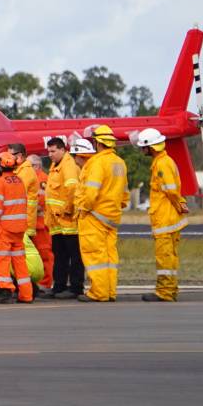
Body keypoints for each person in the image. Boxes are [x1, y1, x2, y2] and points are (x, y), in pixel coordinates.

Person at [75, 125, 129, 303]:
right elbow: (124, 193)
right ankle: (110, 291)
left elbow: (91, 192)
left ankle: (99, 292)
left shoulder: (97, 163)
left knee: (95, 255)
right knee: (110, 256)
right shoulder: (120, 162)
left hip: (94, 216)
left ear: (97, 143)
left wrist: (83, 208)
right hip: (112, 216)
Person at [136, 127, 190, 302]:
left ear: (150, 147)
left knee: (164, 258)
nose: (141, 150)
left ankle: (165, 292)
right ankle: (170, 289)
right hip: (169, 219)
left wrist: (180, 205)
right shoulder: (163, 161)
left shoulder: (161, 164)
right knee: (170, 257)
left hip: (165, 220)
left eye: (143, 147)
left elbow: (171, 191)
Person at [0, 151, 34, 304]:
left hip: (4, 230)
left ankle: (6, 291)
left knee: (1, 261)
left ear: (0, 167)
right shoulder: (19, 181)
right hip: (19, 229)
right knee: (20, 262)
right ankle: (26, 294)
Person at [44, 137, 83, 300]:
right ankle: (59, 286)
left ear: (62, 150)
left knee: (74, 256)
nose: (50, 154)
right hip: (57, 222)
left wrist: (66, 210)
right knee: (59, 256)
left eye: (53, 151)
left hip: (69, 222)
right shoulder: (55, 166)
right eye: (48, 151)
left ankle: (75, 287)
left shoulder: (69, 166)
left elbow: (72, 188)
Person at [28, 153, 55, 291]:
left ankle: (45, 284)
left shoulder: (42, 179)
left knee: (44, 254)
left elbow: (41, 202)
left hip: (41, 223)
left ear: (37, 166)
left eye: (29, 165)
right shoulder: (31, 178)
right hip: (32, 223)